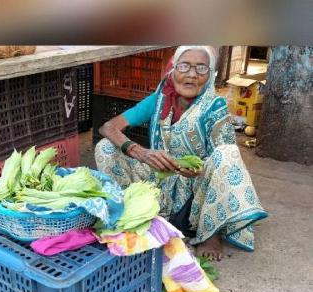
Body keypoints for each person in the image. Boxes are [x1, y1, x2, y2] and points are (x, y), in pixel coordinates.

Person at [95, 46, 268, 261]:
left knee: (229, 154)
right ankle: (132, 213)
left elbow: (222, 163)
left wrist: (195, 169)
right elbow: (108, 127)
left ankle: (210, 232)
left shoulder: (215, 106)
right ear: (173, 70)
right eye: (184, 66)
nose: (192, 74)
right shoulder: (160, 99)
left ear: (209, 75)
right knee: (105, 146)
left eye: (201, 68)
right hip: (157, 181)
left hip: (196, 191)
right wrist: (139, 152)